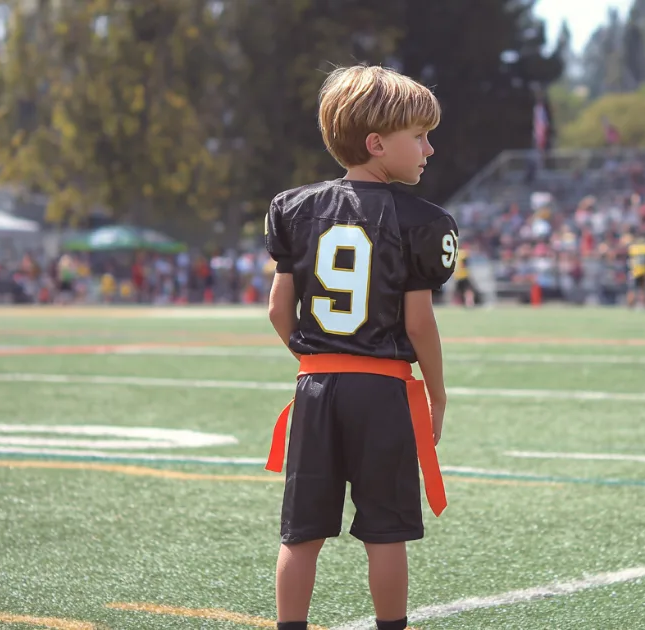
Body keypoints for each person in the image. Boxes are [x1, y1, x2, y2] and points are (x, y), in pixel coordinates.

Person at [263, 64, 457, 630]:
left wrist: (317, 362)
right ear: (377, 144)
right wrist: (438, 395)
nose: (429, 148)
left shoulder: (293, 208)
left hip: (316, 386)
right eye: (418, 136)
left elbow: (279, 310)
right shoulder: (422, 221)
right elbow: (419, 325)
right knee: (386, 532)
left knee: (302, 533)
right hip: (383, 391)